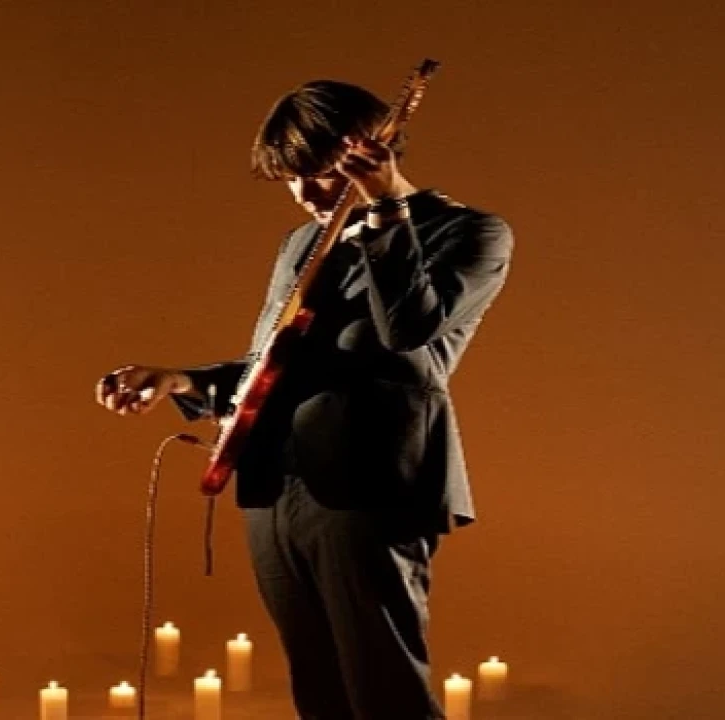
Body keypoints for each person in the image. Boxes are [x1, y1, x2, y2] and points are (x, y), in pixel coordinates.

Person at [94, 79, 513, 719]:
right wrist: (181, 381)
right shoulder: (299, 244)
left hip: (371, 487)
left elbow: (408, 329)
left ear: (371, 150)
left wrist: (385, 210)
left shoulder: (468, 232)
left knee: (387, 692)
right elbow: (278, 364)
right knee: (320, 694)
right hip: (273, 490)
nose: (303, 194)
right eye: (291, 179)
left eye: (316, 173)